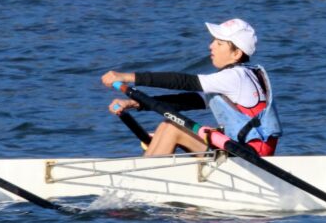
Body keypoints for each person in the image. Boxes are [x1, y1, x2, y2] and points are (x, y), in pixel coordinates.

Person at [102, 18, 282, 156]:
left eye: (219, 43)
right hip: (241, 149)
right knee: (168, 124)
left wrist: (126, 76)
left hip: (250, 156)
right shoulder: (243, 75)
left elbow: (183, 81)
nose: (211, 46)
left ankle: (140, 183)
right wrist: (135, 104)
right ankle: (149, 165)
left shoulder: (235, 77)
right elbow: (189, 100)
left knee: (173, 128)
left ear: (236, 53)